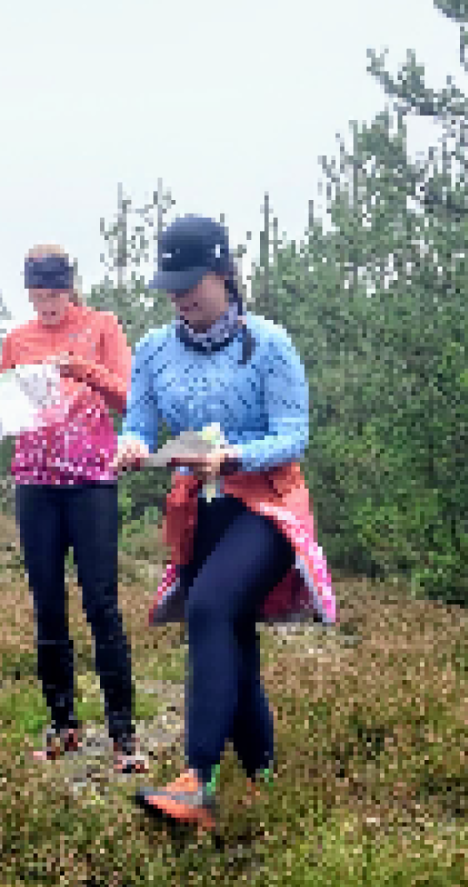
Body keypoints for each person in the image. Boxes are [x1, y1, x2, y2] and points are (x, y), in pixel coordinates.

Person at [113, 214, 338, 832]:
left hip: (265, 503)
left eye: (192, 283)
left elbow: (294, 435)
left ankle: (198, 778)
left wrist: (231, 456)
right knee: (233, 636)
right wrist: (133, 445)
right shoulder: (155, 349)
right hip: (200, 507)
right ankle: (262, 775)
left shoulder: (270, 344)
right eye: (172, 286)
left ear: (222, 273)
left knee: (210, 608)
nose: (181, 296)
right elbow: (139, 421)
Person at [0, 244, 147, 774]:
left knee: (101, 603)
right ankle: (63, 723)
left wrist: (81, 369)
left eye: (56, 294)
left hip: (91, 482)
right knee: (47, 604)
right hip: (35, 482)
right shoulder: (17, 339)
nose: (49, 306)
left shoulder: (101, 326)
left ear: (71, 288)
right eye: (39, 297)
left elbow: (131, 397)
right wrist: (5, 404)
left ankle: (124, 732)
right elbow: (8, 409)